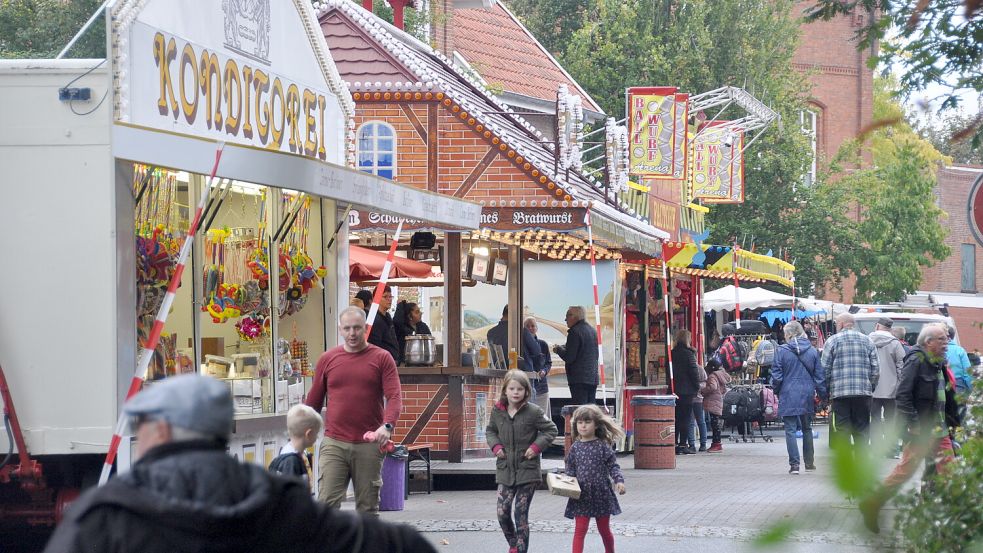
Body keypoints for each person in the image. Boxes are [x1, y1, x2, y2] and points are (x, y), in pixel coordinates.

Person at [43, 374, 433, 553]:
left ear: (161, 431)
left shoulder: (107, 514)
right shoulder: (279, 502)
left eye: (142, 426)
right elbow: (404, 544)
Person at [859, 324, 961, 534]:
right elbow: (903, 395)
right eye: (941, 339)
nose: (946, 343)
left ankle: (955, 520)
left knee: (950, 473)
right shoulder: (916, 361)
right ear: (928, 342)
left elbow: (946, 397)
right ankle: (872, 503)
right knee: (904, 472)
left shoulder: (939, 363)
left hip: (939, 429)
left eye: (946, 339)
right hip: (921, 430)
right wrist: (914, 424)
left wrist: (953, 425)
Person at [305, 306, 402, 514]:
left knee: (367, 507)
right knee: (327, 504)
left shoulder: (382, 358)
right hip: (334, 442)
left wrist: (387, 426)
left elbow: (394, 396)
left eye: (357, 328)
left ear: (365, 328)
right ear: (340, 329)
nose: (352, 333)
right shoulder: (328, 359)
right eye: (347, 328)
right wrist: (300, 433)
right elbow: (313, 400)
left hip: (369, 443)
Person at [485, 370, 558, 553]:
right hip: (505, 469)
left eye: (520, 389)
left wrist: (535, 448)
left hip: (528, 470)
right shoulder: (497, 410)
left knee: (520, 514)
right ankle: (514, 544)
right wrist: (496, 447)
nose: (515, 392)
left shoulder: (533, 411)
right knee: (502, 513)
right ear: (505, 390)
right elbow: (490, 431)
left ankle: (521, 549)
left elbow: (551, 430)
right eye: (512, 388)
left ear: (526, 391)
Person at [564, 404, 627, 553]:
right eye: (580, 422)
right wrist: (566, 483)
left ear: (596, 424)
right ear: (575, 425)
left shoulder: (603, 446)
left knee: (604, 530)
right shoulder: (575, 448)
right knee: (580, 531)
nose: (583, 426)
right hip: (581, 495)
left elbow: (613, 466)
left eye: (587, 422)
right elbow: (570, 471)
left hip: (601, 494)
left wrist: (619, 481)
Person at [771, 321, 826, 475]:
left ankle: (794, 465)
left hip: (788, 393)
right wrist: (823, 396)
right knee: (807, 428)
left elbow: (776, 376)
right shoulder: (813, 351)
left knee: (790, 430)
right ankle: (809, 463)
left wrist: (777, 391)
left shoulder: (781, 351)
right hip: (807, 393)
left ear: (788, 334)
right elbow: (819, 376)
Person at [821, 313, 879, 458]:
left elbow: (825, 369)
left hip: (840, 394)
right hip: (863, 393)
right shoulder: (867, 341)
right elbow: (876, 369)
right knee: (862, 429)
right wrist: (870, 387)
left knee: (842, 430)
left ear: (840, 324)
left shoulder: (832, 341)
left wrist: (828, 391)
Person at [869, 317, 905, 458]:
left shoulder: (867, 340)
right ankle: (892, 451)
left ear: (877, 326)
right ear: (889, 328)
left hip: (872, 389)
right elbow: (901, 366)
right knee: (891, 422)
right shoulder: (895, 344)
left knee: (875, 420)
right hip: (892, 390)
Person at [553, 305, 600, 406]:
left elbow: (569, 357)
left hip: (579, 380)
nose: (565, 319)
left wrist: (558, 350)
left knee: (581, 411)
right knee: (591, 410)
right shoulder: (593, 331)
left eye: (567, 316)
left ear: (575, 317)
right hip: (592, 378)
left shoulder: (574, 332)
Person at [268, 403, 322, 491]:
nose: (317, 437)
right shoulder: (291, 461)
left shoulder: (292, 455)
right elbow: (290, 494)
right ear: (309, 434)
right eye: (316, 433)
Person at [487, 305, 543, 379]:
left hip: (500, 375)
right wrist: (533, 336)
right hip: (523, 375)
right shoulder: (521, 331)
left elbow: (493, 355)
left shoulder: (491, 333)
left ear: (503, 314)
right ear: (516, 315)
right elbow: (536, 351)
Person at [671, 329, 701, 455]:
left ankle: (674, 443)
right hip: (687, 391)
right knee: (686, 418)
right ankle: (683, 444)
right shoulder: (689, 354)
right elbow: (694, 372)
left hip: (674, 390)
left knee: (675, 417)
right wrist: (697, 386)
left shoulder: (672, 353)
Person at [356, 287, 399, 361]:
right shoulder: (374, 319)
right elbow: (375, 344)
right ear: (376, 299)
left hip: (391, 359)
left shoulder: (388, 317)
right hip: (381, 361)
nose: (389, 299)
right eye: (385, 296)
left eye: (390, 296)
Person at [524, 317, 553, 415]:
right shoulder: (521, 346)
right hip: (527, 388)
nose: (530, 328)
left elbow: (548, 363)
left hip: (542, 388)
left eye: (533, 326)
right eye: (527, 326)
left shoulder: (543, 344)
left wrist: (544, 371)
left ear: (537, 328)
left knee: (542, 417)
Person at [702, 360, 732, 452]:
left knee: (714, 424)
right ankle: (716, 443)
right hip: (718, 399)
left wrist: (703, 390)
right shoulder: (721, 375)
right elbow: (723, 389)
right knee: (716, 423)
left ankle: (716, 444)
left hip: (712, 400)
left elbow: (712, 387)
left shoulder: (712, 376)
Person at [394, 300, 432, 365]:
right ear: (409, 316)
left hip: (423, 363)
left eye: (420, 311)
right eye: (417, 312)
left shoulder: (423, 326)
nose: (420, 313)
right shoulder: (402, 329)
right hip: (405, 363)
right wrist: (400, 305)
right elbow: (396, 321)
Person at [944, 325, 973, 395]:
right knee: (959, 405)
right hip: (958, 384)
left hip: (941, 383)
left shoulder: (936, 349)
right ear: (953, 336)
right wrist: (969, 388)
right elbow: (968, 372)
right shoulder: (960, 350)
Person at [687, 362, 709, 452]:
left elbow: (704, 383)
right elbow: (705, 382)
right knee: (700, 421)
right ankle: (700, 444)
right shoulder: (700, 368)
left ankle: (694, 444)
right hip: (697, 398)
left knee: (693, 422)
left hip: (693, 398)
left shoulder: (689, 368)